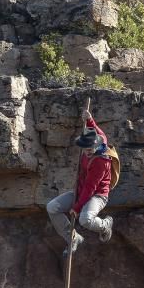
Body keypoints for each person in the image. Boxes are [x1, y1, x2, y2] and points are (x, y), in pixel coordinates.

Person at [46, 109, 114, 257]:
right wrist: (89, 120)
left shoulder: (100, 161)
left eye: (90, 149)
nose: (87, 152)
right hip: (81, 191)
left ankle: (105, 225)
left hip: (97, 195)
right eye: (85, 149)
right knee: (52, 207)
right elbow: (95, 130)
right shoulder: (99, 138)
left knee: (85, 219)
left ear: (96, 145)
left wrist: (76, 207)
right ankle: (73, 238)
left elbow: (90, 188)